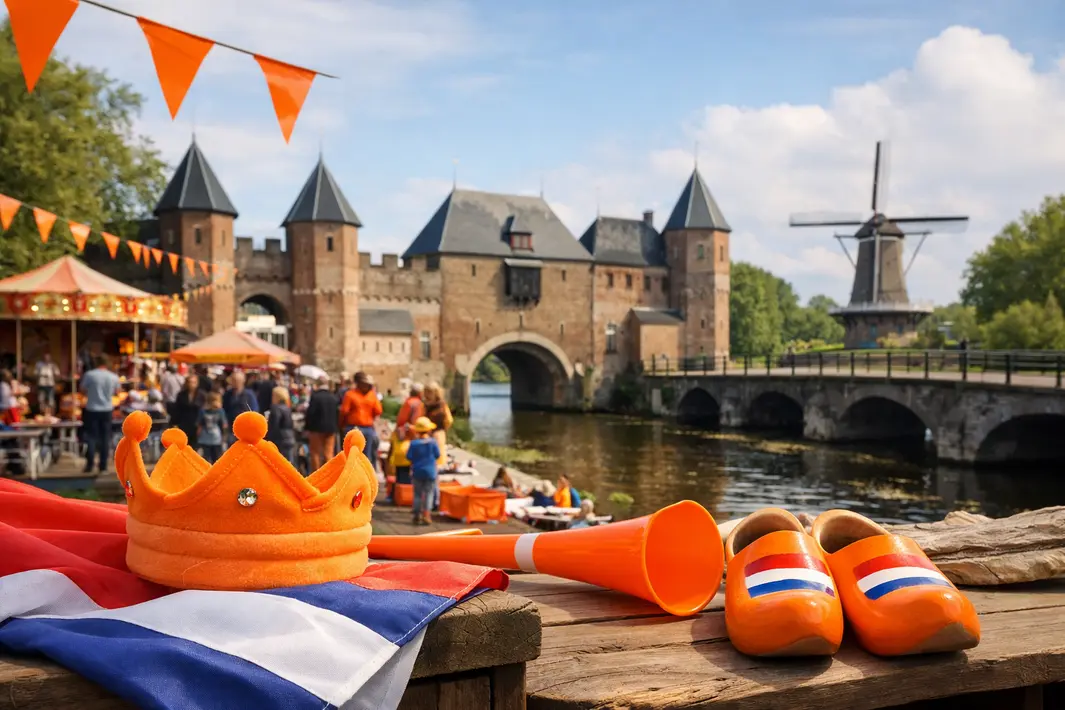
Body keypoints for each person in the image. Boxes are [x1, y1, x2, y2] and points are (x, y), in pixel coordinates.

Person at [79, 354, 120, 473]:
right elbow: (117, 392)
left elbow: (82, 390)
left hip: (92, 408)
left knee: (91, 437)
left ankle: (90, 464)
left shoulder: (90, 375)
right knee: (105, 438)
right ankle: (103, 466)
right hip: (107, 409)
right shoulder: (113, 377)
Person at [340, 372, 383, 472]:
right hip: (367, 428)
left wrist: (341, 424)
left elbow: (344, 411)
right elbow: (378, 411)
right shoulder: (371, 395)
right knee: (366, 456)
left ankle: (353, 476)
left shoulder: (350, 394)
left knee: (351, 456)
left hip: (353, 427)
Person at [406, 417, 440, 526]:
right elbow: (437, 455)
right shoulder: (433, 442)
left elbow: (409, 456)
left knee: (417, 494)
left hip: (417, 471)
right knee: (429, 493)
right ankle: (427, 515)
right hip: (430, 472)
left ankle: (417, 515)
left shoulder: (414, 443)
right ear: (429, 430)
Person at [388, 382, 424, 485]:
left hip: (404, 439)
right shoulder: (419, 404)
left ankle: (401, 493)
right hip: (413, 438)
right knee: (410, 469)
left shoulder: (408, 402)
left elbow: (400, 421)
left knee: (401, 469)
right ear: (420, 393)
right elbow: (417, 422)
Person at [304, 376, 338, 472]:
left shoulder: (315, 397)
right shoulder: (333, 397)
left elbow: (310, 413)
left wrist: (307, 427)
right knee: (329, 453)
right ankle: (329, 475)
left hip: (316, 428)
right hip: (331, 428)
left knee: (315, 453)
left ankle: (317, 475)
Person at [170, 374, 205, 451]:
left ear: (197, 383)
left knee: (195, 447)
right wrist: (175, 423)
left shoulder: (201, 395)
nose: (191, 384)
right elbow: (177, 409)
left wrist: (202, 424)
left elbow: (204, 411)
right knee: (184, 446)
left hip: (196, 423)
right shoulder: (181, 395)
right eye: (190, 382)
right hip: (184, 423)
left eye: (194, 382)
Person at [222, 371, 258, 443]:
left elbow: (255, 410)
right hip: (231, 426)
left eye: (238, 380)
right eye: (234, 380)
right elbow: (224, 408)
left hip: (245, 428)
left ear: (243, 381)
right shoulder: (227, 394)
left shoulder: (249, 394)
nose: (236, 382)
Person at [197, 392, 228, 464]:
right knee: (207, 458)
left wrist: (224, 437)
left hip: (216, 439)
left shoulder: (220, 411)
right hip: (206, 438)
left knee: (216, 458)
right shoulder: (203, 411)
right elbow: (200, 424)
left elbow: (224, 424)